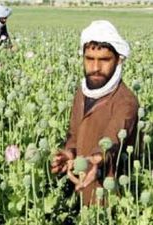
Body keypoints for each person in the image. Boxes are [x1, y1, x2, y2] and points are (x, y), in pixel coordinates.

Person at [51, 20, 138, 205]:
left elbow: (112, 140)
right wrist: (69, 153)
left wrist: (96, 159)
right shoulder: (82, 93)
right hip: (82, 188)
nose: (95, 67)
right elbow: (74, 134)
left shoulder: (126, 101)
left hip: (108, 197)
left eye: (104, 60)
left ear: (118, 60)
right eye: (89, 59)